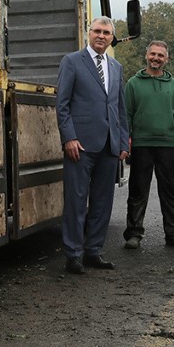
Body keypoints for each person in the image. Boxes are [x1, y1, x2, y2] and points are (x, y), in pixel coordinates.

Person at [56, 16, 130, 275]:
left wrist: (122, 142)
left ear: (112, 37)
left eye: (106, 33)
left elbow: (120, 108)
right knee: (76, 201)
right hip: (81, 145)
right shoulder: (72, 62)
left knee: (102, 201)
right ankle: (73, 254)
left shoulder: (116, 67)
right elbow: (62, 103)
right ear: (89, 33)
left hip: (109, 145)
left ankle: (93, 251)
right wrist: (69, 137)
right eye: (97, 31)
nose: (101, 36)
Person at [121, 41, 174, 249]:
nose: (156, 58)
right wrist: (125, 140)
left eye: (161, 55)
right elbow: (126, 115)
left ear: (166, 59)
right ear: (146, 56)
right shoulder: (133, 84)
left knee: (170, 191)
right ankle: (133, 234)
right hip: (142, 145)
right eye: (153, 54)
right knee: (137, 191)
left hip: (167, 145)